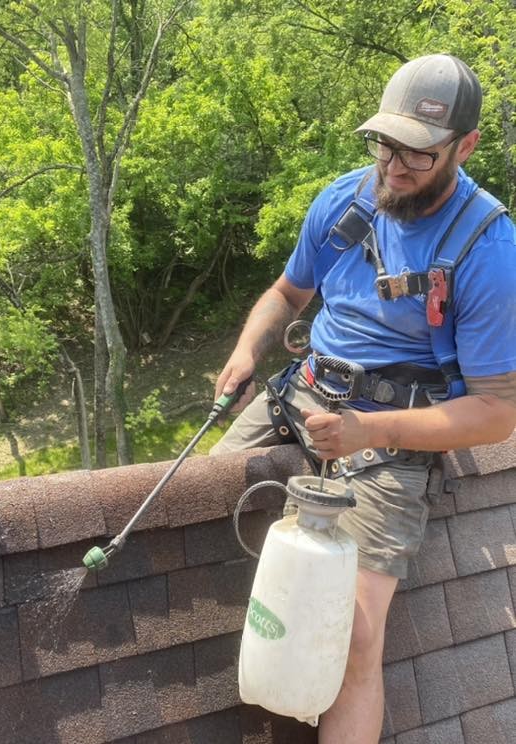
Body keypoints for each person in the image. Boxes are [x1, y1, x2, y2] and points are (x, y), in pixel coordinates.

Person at [211, 54, 516, 743]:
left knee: (354, 638)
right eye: (386, 143)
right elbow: (290, 293)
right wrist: (243, 353)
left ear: (465, 146)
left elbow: (499, 412)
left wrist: (371, 431)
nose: (395, 166)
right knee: (199, 503)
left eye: (419, 153)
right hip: (304, 392)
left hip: (390, 437)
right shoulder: (345, 200)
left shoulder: (487, 249)